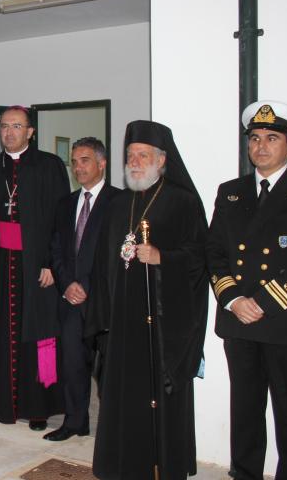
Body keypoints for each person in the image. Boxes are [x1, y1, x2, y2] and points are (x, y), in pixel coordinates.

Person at [207, 101, 287, 480]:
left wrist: (261, 303)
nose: (261, 146)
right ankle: (245, 473)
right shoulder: (231, 192)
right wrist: (232, 299)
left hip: (284, 321)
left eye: (272, 139)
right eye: (255, 138)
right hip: (239, 321)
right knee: (244, 411)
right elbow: (214, 252)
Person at [86, 120, 209, 480]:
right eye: (130, 156)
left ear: (162, 160)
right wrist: (101, 316)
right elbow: (102, 263)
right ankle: (123, 464)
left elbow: (201, 257)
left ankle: (164, 465)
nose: (135, 162)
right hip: (122, 322)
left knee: (158, 398)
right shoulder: (118, 204)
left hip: (162, 325)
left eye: (143, 155)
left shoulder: (183, 202)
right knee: (123, 395)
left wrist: (162, 258)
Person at [0, 106, 69, 431]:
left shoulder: (49, 166)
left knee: (42, 334)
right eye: (4, 126)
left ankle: (42, 405)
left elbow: (61, 220)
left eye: (16, 126)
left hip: (36, 266)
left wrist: (52, 263)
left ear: (30, 132)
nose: (9, 132)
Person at [46, 137, 118, 442]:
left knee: (109, 370)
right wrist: (66, 285)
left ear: (102, 163)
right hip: (71, 299)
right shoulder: (65, 203)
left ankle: (113, 430)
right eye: (74, 162)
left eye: (85, 160)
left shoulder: (120, 201)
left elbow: (116, 254)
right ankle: (75, 421)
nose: (78, 167)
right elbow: (56, 250)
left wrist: (86, 285)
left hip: (104, 300)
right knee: (72, 363)